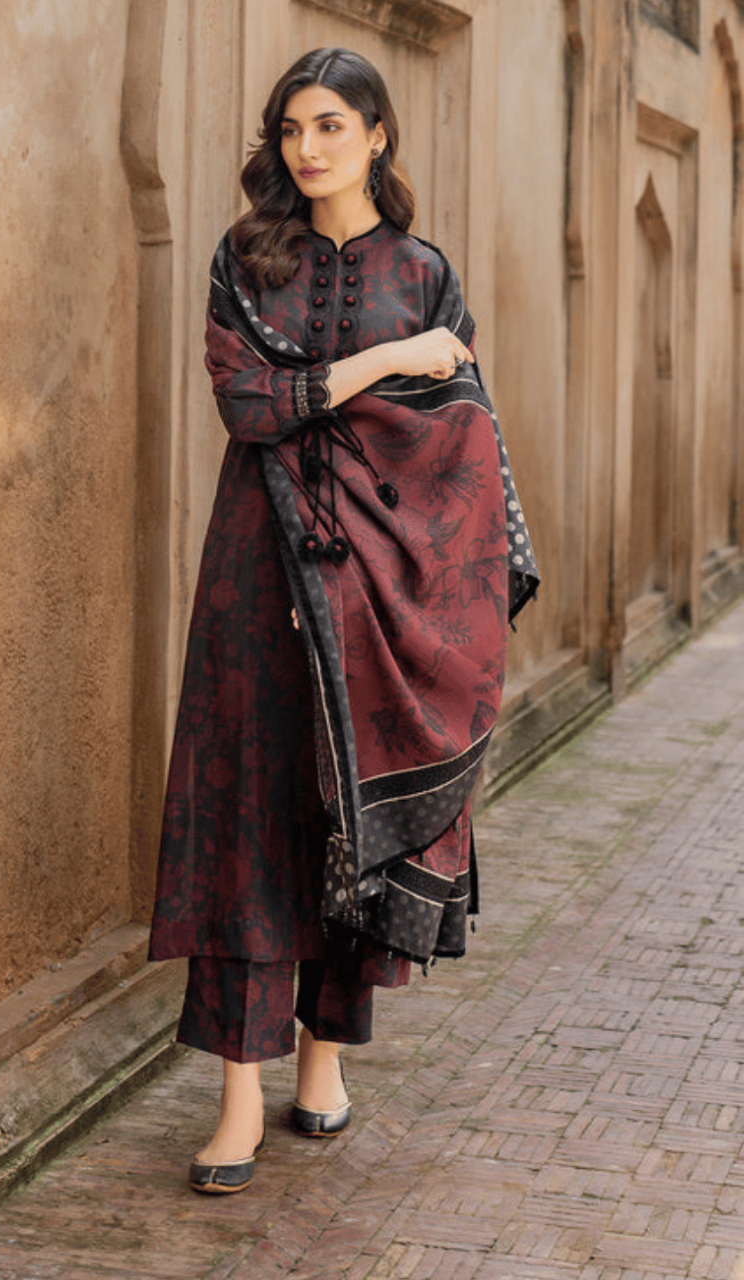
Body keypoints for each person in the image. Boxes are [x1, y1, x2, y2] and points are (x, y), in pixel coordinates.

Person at [148, 47, 537, 1195]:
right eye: (289, 130)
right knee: (245, 815)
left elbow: (461, 449)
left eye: (329, 126)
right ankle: (235, 1100)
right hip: (256, 583)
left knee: (345, 816)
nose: (305, 149)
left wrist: (448, 595)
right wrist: (383, 362)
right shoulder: (244, 260)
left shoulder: (425, 274)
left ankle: (322, 1063)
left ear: (377, 136)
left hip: (386, 594)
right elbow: (248, 403)